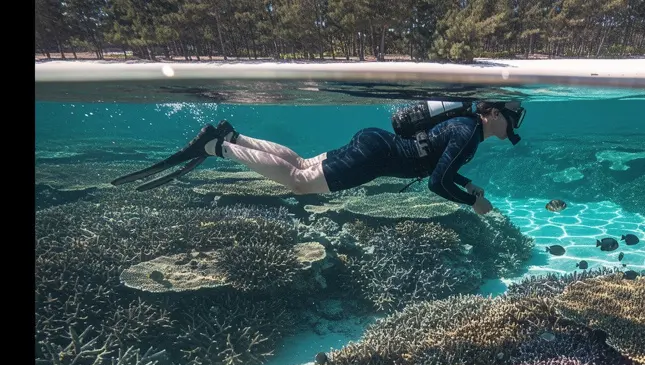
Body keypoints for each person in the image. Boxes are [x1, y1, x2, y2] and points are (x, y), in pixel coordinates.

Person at [111, 101, 527, 216]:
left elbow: (444, 168)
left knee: (304, 163)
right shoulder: (468, 132)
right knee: (298, 181)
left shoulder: (466, 130)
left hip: (374, 141)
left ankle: (232, 135)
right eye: (513, 114)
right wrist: (471, 202)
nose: (515, 121)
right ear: (492, 113)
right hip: (376, 157)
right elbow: (437, 182)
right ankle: (215, 147)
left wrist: (468, 184)